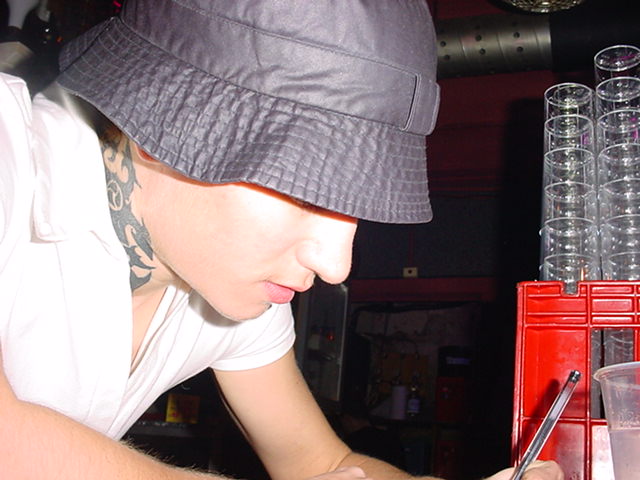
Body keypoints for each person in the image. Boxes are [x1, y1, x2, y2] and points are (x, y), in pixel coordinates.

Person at [0, 0, 563, 479]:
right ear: (162, 119)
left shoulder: (231, 285)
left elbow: (320, 464)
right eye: (306, 193)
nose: (336, 266)